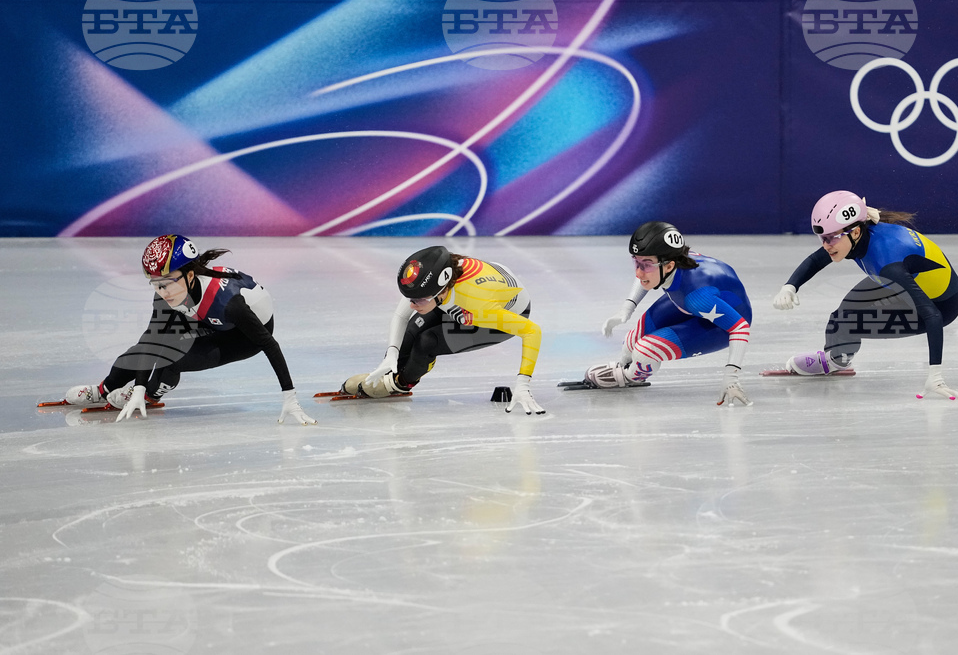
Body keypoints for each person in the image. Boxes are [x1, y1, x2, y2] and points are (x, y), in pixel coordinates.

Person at [64, 234, 317, 424]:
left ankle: (152, 394)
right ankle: (103, 390)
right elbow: (152, 339)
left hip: (242, 335)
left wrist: (289, 397)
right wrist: (137, 386)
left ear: (190, 275)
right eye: (155, 284)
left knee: (172, 357)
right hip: (205, 316)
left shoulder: (230, 304)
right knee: (151, 344)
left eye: (167, 283)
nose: (163, 292)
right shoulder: (168, 291)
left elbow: (269, 344)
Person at [773, 190, 958, 399]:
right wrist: (790, 286)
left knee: (848, 322)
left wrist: (935, 376)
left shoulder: (889, 264)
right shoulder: (858, 233)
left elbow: (932, 315)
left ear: (855, 232)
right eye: (822, 238)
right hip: (908, 280)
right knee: (841, 316)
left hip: (942, 304)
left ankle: (834, 362)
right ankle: (837, 356)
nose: (826, 245)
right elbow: (816, 259)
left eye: (830, 238)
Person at [342, 246, 545, 414]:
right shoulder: (433, 278)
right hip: (468, 295)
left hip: (497, 313)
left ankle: (401, 383)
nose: (413, 305)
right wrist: (392, 354)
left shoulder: (479, 306)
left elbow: (532, 332)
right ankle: (394, 374)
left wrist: (523, 384)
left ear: (442, 290)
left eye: (419, 299)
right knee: (412, 330)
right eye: (410, 298)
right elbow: (401, 316)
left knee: (427, 342)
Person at [593, 221, 753, 406]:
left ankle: (631, 376)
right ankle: (626, 366)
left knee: (645, 351)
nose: (638, 272)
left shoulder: (696, 296)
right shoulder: (670, 261)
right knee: (631, 341)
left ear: (669, 266)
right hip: (694, 302)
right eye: (636, 262)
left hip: (723, 323)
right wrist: (627, 308)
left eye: (646, 264)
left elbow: (740, 327)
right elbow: (646, 276)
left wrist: (731, 377)